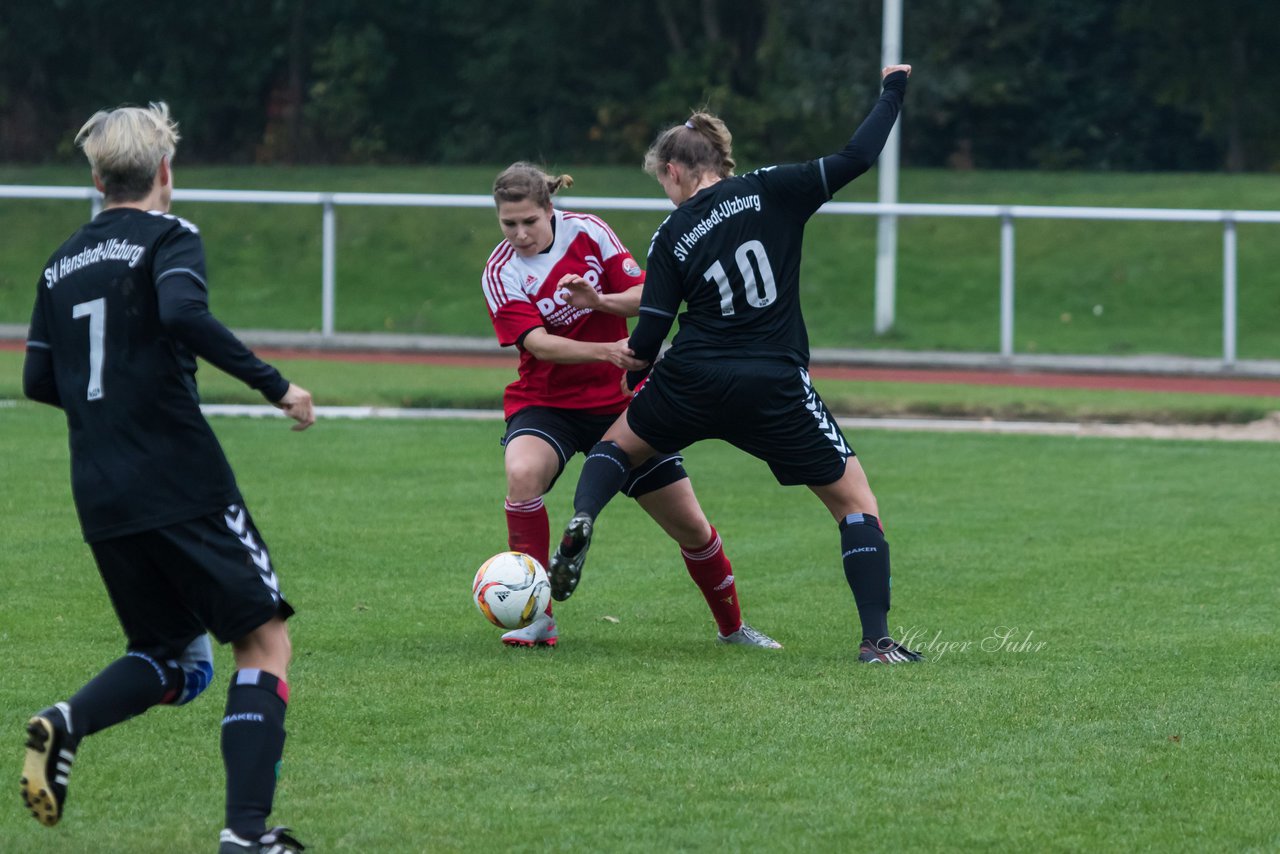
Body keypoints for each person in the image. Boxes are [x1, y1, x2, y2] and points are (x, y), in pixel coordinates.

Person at [549, 66, 923, 665]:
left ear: (674, 172)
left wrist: (634, 373)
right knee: (856, 505)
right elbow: (857, 155)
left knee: (616, 448)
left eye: (661, 182)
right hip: (773, 382)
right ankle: (876, 641)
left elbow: (649, 334)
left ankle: (583, 517)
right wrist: (892, 93)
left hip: (692, 375)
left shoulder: (671, 233)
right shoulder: (776, 186)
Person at [20, 102, 312, 853]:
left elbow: (38, 379)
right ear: (166, 172)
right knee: (264, 642)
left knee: (175, 660)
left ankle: (68, 721)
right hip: (177, 474)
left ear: (94, 177)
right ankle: (247, 836)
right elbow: (182, 313)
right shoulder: (169, 235)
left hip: (99, 482)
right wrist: (275, 385)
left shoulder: (58, 261)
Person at [482, 162, 779, 651]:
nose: (519, 234)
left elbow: (648, 294)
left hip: (618, 403)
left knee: (692, 526)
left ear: (549, 209)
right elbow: (537, 344)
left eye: (529, 222)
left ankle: (733, 629)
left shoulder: (590, 232)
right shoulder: (500, 271)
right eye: (508, 224)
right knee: (521, 473)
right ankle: (538, 618)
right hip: (547, 403)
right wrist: (606, 350)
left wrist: (598, 300)